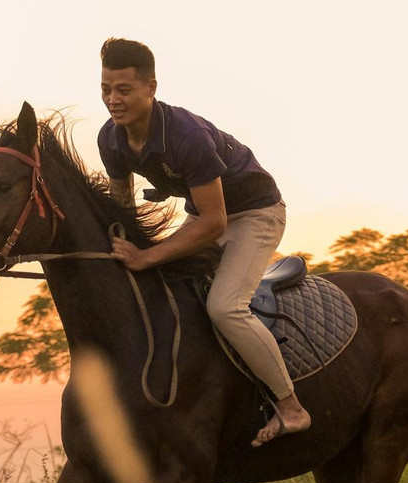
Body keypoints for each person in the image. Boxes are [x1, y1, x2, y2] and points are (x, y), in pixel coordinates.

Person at [97, 38, 311, 448]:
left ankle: (291, 407)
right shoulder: (111, 139)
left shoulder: (187, 136)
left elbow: (215, 224)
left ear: (151, 87)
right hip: (206, 214)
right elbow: (122, 210)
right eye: (106, 89)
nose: (113, 100)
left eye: (123, 90)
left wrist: (147, 256)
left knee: (224, 307)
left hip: (254, 214)